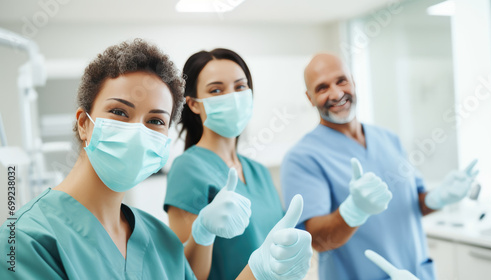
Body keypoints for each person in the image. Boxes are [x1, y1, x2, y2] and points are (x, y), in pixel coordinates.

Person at [0, 39, 311, 280]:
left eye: (155, 121)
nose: (137, 131)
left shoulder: (157, 238)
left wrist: (259, 270)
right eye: (119, 112)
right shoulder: (25, 240)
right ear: (84, 123)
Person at [280, 53, 479, 280]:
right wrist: (353, 211)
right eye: (322, 88)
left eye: (341, 80)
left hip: (416, 273)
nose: (336, 93)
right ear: (310, 98)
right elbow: (316, 240)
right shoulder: (302, 158)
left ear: (353, 81)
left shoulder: (388, 138)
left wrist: (440, 198)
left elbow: (414, 202)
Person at [164, 48, 313, 280]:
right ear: (193, 104)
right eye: (216, 90)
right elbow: (186, 274)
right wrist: (203, 232)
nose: (232, 96)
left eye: (240, 86)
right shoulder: (188, 169)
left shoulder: (259, 172)